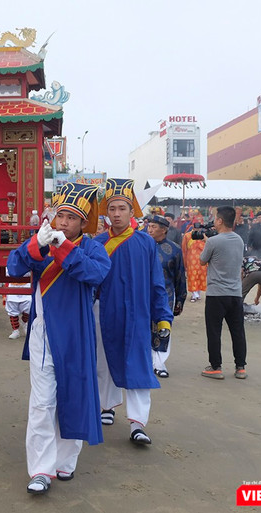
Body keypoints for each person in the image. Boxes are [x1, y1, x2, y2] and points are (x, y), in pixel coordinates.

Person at [7, 182, 110, 495]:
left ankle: (65, 461)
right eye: (60, 215)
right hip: (45, 331)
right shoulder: (41, 241)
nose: (63, 222)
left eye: (71, 217)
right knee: (42, 402)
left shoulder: (91, 247)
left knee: (74, 394)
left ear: (82, 223)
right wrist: (34, 246)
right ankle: (40, 469)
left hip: (78, 332)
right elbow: (13, 267)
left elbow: (96, 274)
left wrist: (64, 247)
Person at [94, 178, 172, 446]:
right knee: (103, 361)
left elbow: (156, 283)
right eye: (112, 208)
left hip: (138, 314)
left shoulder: (145, 243)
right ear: (106, 211)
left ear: (132, 212)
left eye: (122, 209)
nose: (116, 213)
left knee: (139, 366)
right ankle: (107, 406)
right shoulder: (97, 243)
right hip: (104, 312)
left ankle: (138, 424)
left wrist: (162, 316)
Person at [199, 206, 247, 380]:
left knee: (214, 331)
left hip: (216, 294)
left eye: (215, 218)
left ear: (220, 220)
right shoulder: (239, 240)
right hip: (235, 293)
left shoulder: (213, 241)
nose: (213, 221)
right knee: (237, 331)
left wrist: (206, 242)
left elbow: (202, 261)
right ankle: (240, 367)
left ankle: (215, 366)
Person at [146, 215, 187, 378]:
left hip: (165, 295)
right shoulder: (142, 246)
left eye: (154, 227)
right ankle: (147, 362)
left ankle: (160, 363)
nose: (150, 229)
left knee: (163, 329)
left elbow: (180, 276)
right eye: (149, 226)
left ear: (164, 230)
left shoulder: (175, 249)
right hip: (143, 294)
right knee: (144, 327)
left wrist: (181, 299)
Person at [182, 222, 207, 302]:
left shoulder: (203, 235)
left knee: (200, 276)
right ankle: (194, 295)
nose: (197, 229)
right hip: (191, 260)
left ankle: (198, 293)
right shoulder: (187, 235)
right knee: (192, 276)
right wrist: (184, 260)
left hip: (202, 259)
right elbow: (184, 249)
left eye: (198, 228)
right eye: (196, 228)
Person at [5, 272, 31, 339]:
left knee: (29, 305)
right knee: (12, 308)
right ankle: (15, 330)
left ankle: (25, 322)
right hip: (12, 284)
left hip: (26, 283)